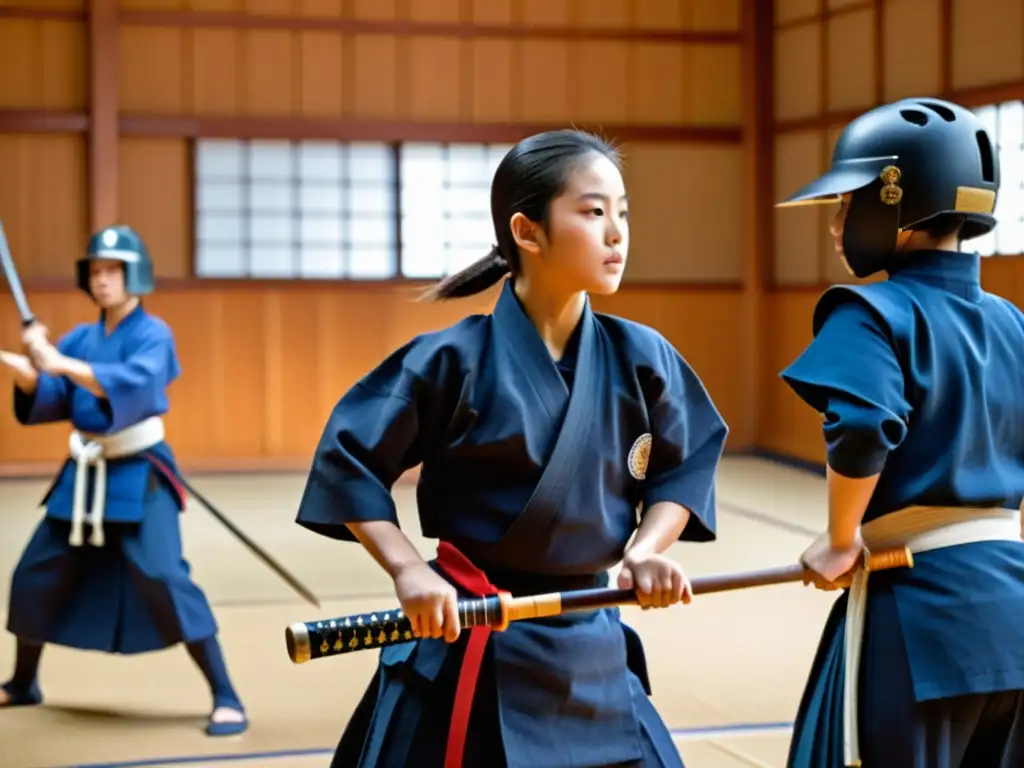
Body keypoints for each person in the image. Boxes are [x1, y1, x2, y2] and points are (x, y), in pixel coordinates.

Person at [294, 129, 729, 768]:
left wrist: (645, 551)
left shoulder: (643, 358)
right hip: (471, 633)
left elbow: (685, 462)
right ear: (528, 231)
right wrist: (409, 571)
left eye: (623, 211)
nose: (617, 233)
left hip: (591, 642)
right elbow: (349, 460)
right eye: (593, 211)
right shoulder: (450, 361)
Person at [775, 97, 1024, 767]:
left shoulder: (871, 312)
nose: (835, 225)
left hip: (920, 615)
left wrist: (838, 539)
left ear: (895, 200)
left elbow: (860, 427)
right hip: (1014, 616)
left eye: (847, 201)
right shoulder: (1010, 322)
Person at [0, 226, 248, 736]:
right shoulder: (81, 337)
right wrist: (26, 367)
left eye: (113, 270)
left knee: (163, 575)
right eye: (95, 271)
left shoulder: (154, 334)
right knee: (33, 573)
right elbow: (53, 392)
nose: (103, 280)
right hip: (84, 473)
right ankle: (23, 682)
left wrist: (60, 362)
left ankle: (226, 694)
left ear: (135, 274)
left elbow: (135, 382)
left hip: (140, 470)